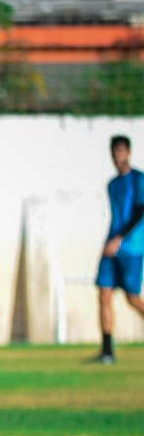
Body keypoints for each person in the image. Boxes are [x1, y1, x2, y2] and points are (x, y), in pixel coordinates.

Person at [91, 134, 144, 364]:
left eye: (121, 151)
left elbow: (140, 212)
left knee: (132, 298)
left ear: (128, 152)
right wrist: (111, 241)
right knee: (104, 294)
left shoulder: (139, 180)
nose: (117, 156)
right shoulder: (112, 184)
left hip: (131, 248)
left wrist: (120, 239)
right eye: (114, 152)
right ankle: (107, 351)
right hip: (111, 247)